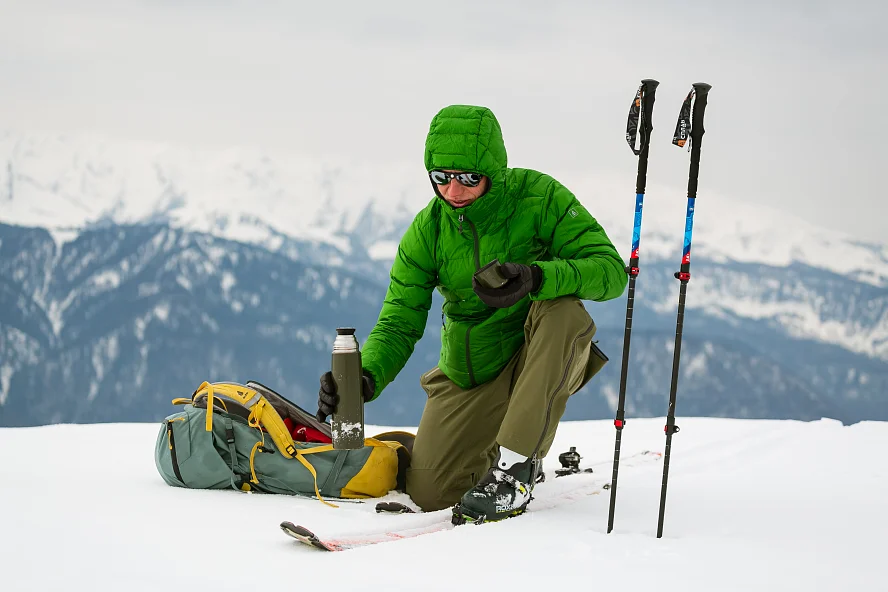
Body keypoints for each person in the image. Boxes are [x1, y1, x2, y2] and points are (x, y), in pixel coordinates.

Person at [317, 104, 627, 523]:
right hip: (473, 370)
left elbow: (611, 272)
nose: (453, 192)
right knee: (432, 493)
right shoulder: (428, 231)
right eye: (441, 178)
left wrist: (537, 276)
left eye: (468, 178)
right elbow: (399, 320)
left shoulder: (540, 198)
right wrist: (364, 377)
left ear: (492, 171)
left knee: (562, 309)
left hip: (541, 354)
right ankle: (489, 448)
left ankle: (517, 467)